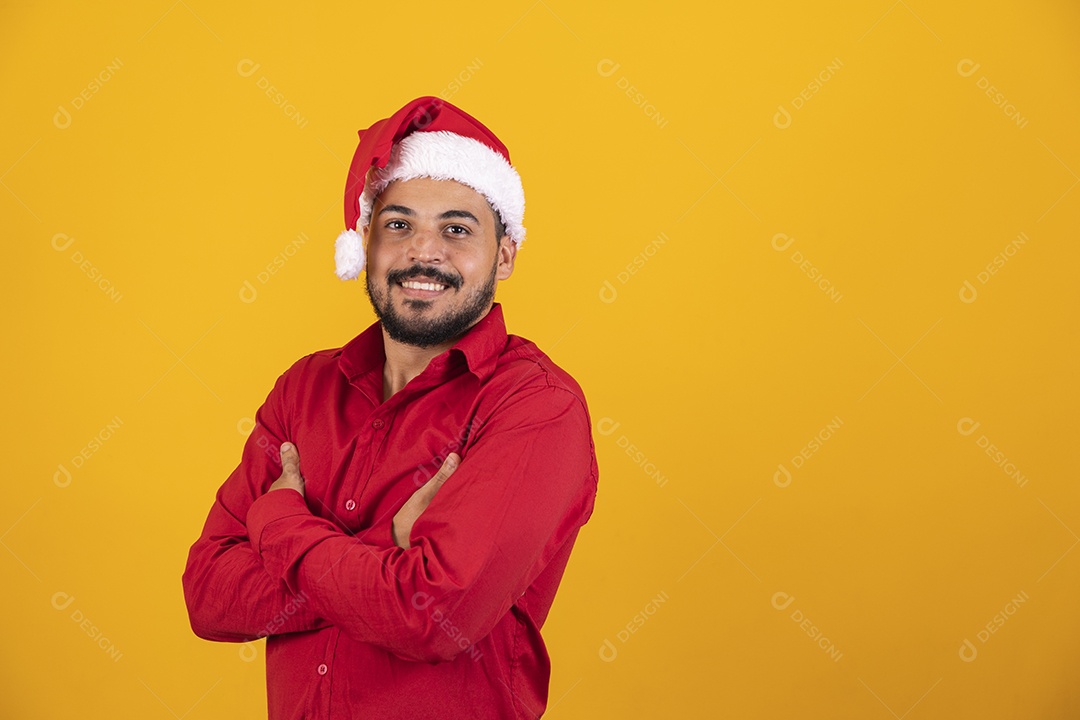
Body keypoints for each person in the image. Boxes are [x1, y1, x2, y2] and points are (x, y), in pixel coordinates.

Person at [181, 96, 599, 719]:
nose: (422, 253)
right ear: (366, 245)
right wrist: (386, 564)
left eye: (457, 229)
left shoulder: (537, 405)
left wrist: (278, 524)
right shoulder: (305, 388)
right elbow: (208, 594)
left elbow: (433, 615)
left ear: (504, 254)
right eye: (398, 224)